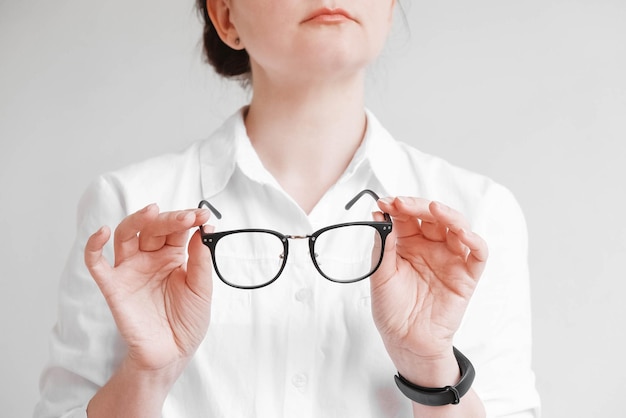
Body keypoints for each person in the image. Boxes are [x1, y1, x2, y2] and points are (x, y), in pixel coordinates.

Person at [35, 0, 541, 417]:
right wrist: (146, 375)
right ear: (227, 17)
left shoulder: (477, 213)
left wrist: (431, 367)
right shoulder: (127, 208)